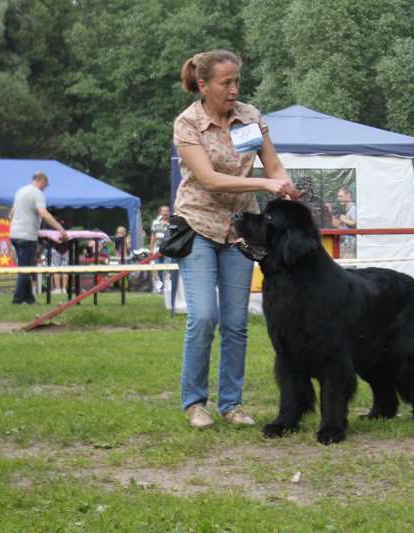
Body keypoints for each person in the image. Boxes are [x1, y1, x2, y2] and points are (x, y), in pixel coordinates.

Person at [173, 49, 298, 429]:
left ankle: (231, 405)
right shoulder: (188, 123)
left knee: (236, 321)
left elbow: (272, 163)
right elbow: (209, 179)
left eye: (237, 81)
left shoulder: (248, 118)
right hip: (197, 226)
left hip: (239, 232)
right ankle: (195, 404)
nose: (234, 89)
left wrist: (286, 188)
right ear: (203, 85)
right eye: (226, 83)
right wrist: (263, 182)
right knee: (204, 316)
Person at [9, 172, 68, 305]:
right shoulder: (37, 193)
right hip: (27, 235)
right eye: (46, 185)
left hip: (14, 234)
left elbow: (11, 213)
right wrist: (60, 228)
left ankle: (29, 299)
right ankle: (17, 300)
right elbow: (43, 213)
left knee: (25, 266)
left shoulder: (20, 191)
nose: (46, 187)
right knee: (25, 269)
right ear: (42, 181)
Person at [150, 205, 171, 292]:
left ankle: (166, 288)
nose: (165, 212)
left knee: (167, 269)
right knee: (158, 269)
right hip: (158, 249)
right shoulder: (155, 223)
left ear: (169, 212)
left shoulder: (173, 223)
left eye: (167, 211)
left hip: (169, 250)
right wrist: (151, 248)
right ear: (160, 213)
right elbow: (153, 236)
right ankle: (162, 287)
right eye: (163, 211)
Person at [331, 187, 357, 257]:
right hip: (346, 244)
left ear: (348, 195)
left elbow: (356, 223)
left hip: (351, 244)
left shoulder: (353, 208)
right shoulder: (348, 209)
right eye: (338, 197)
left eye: (341, 196)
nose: (339, 199)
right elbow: (342, 226)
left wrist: (344, 220)